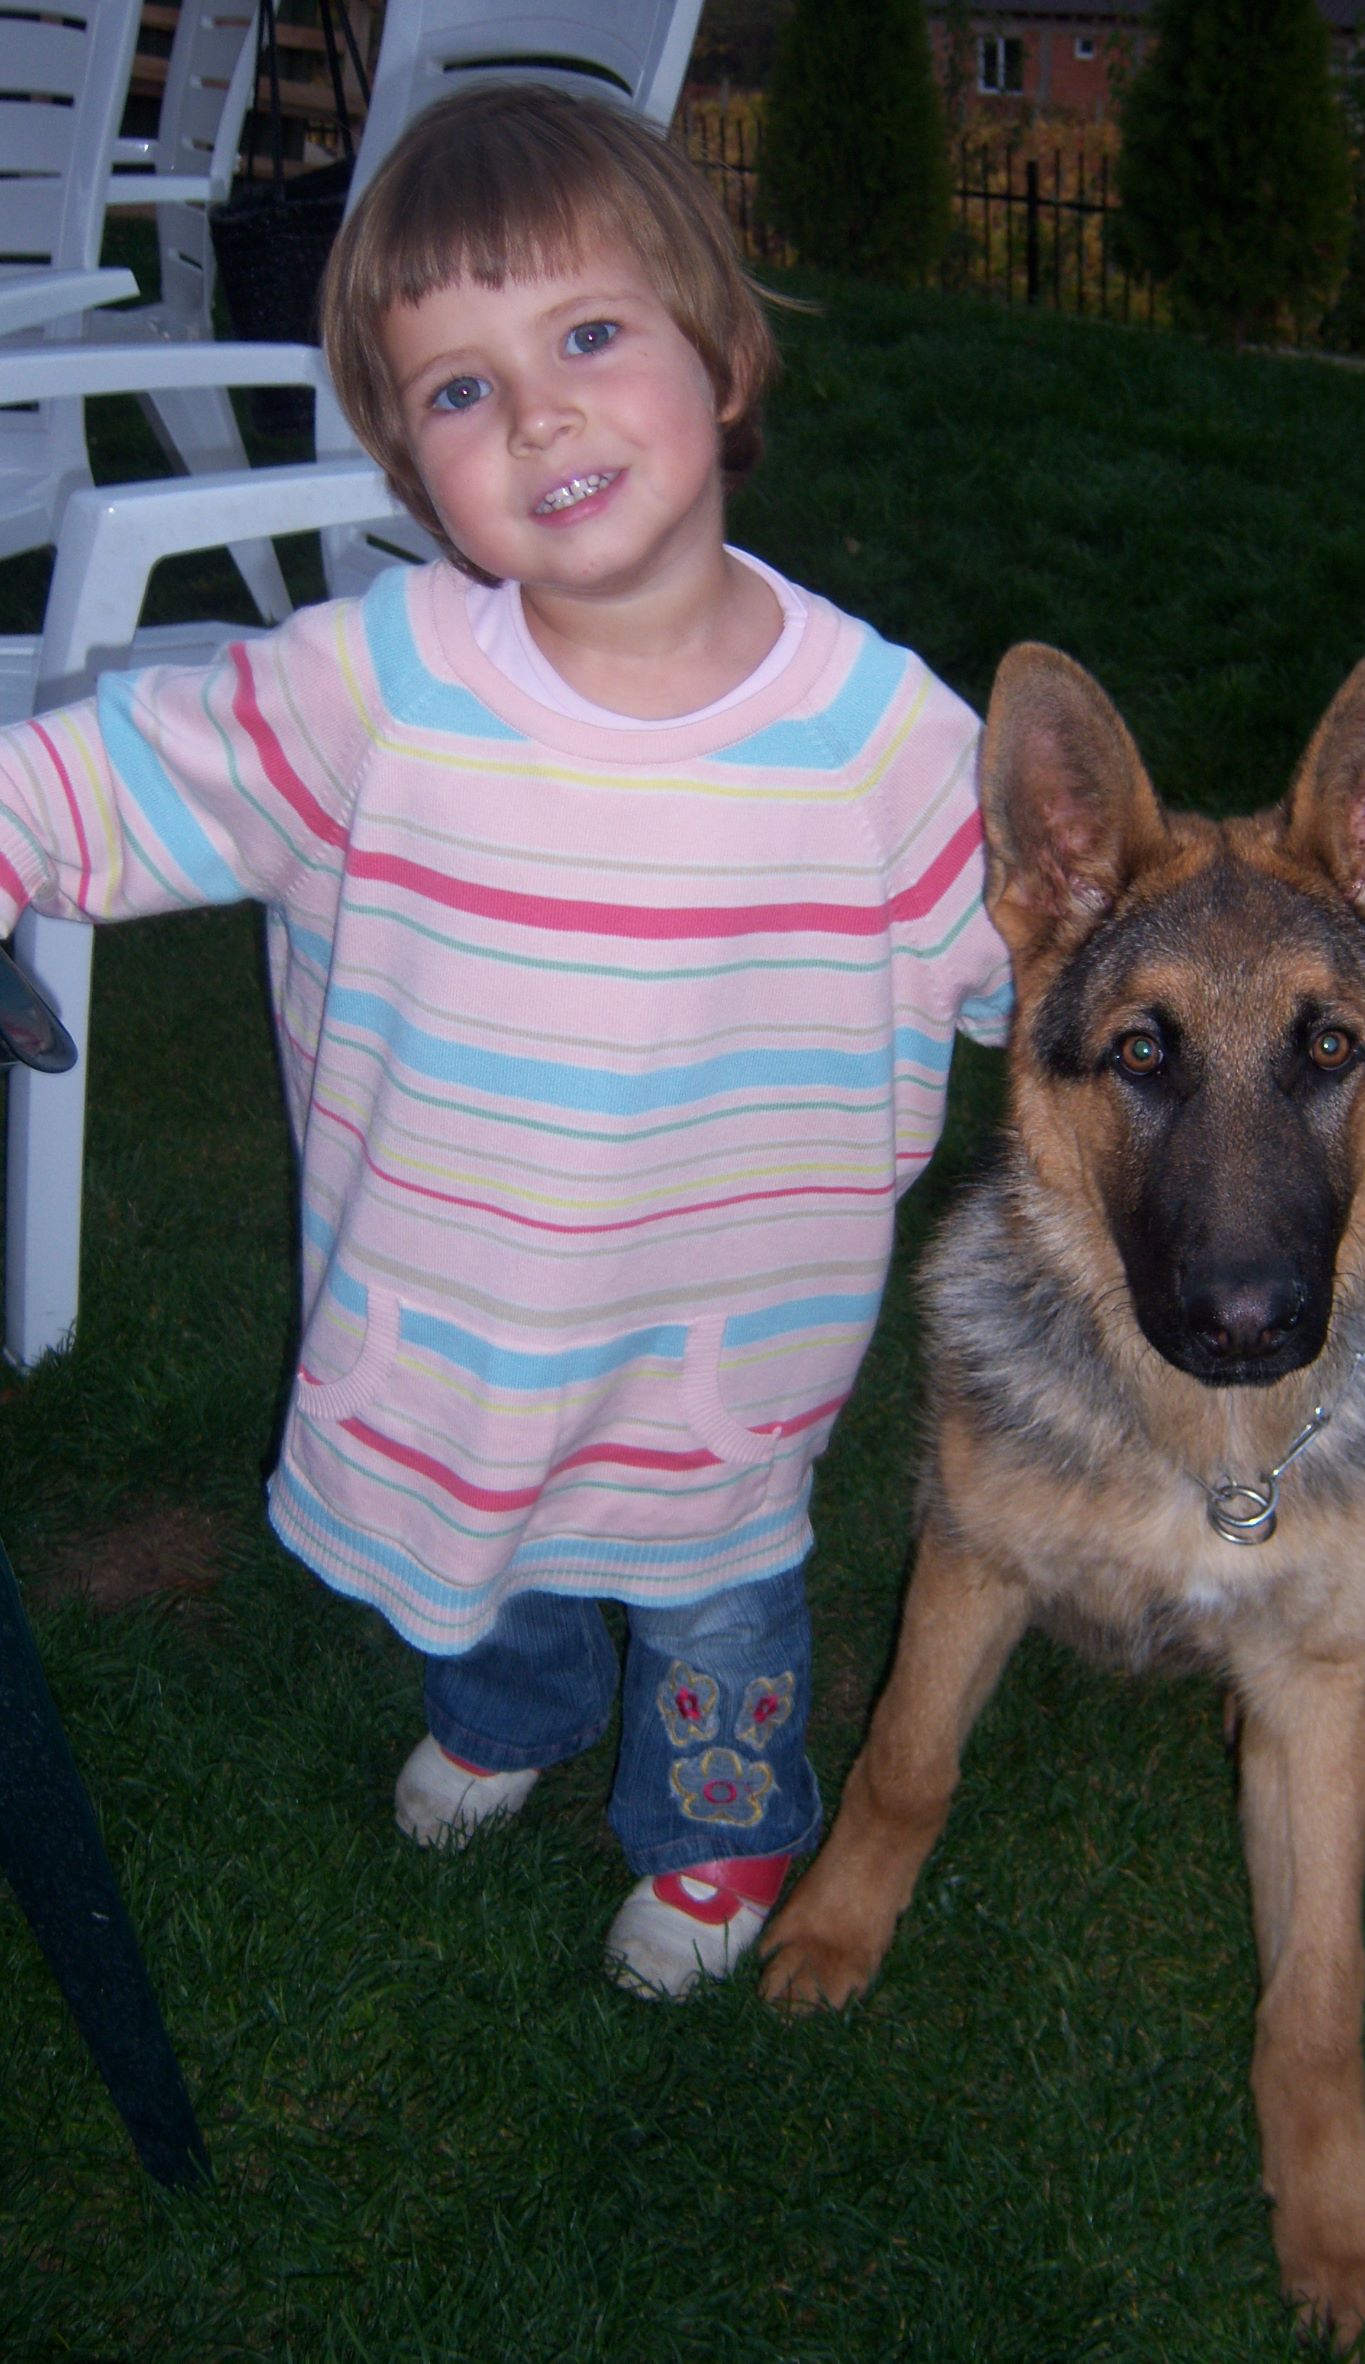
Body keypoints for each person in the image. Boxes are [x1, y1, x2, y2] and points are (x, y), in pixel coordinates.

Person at [0, 84, 1011, 1999]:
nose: (537, 413)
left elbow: (1056, 973)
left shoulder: (887, 743)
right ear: (411, 467)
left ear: (722, 358)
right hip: (456, 1311)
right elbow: (112, 778)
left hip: (726, 1336)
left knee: (715, 1599)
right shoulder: (368, 693)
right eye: (459, 389)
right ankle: (517, 1708)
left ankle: (718, 1827)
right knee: (489, 1543)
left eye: (589, 334)